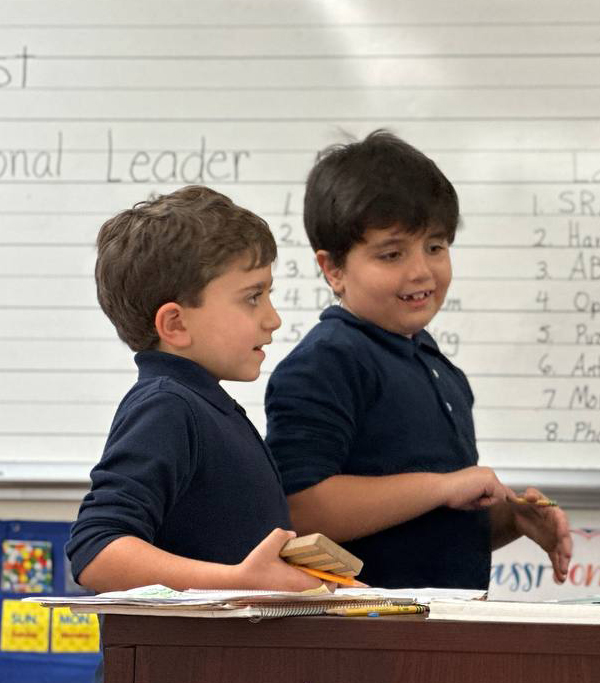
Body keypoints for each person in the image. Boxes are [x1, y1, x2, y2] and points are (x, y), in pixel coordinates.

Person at [265, 130, 571, 589]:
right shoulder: (326, 362)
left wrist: (513, 520)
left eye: (436, 246)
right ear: (333, 270)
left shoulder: (437, 366)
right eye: (391, 254)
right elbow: (301, 511)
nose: (421, 271)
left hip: (439, 631)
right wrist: (445, 486)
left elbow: (428, 528)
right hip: (367, 636)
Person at [67, 186, 318, 593]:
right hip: (176, 660)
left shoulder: (206, 405)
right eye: (253, 297)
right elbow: (97, 550)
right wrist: (238, 583)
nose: (273, 319)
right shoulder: (167, 405)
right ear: (176, 325)